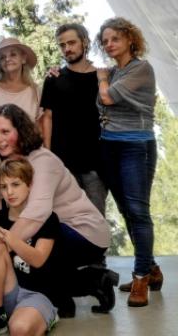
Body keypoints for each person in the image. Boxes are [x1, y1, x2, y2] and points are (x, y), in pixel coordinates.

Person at [0, 104, 116, 317]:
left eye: (5, 131)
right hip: (52, 229)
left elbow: (36, 215)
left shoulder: (43, 161)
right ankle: (63, 296)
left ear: (20, 131)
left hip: (85, 233)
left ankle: (90, 282)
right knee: (25, 255)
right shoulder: (1, 161)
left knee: (26, 256)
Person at [95, 17, 160, 307]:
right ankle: (153, 268)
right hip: (110, 145)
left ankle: (141, 277)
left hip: (136, 147)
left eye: (115, 39)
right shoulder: (113, 71)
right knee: (125, 210)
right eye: (105, 40)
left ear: (130, 39)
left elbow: (106, 99)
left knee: (138, 211)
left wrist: (101, 78)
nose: (109, 44)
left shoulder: (140, 68)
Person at [0, 157, 61, 336]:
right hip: (4, 292)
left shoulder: (47, 218)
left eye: (15, 184)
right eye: (4, 186)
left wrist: (8, 236)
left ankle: (49, 316)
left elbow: (38, 259)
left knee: (19, 329)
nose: (9, 192)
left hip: (37, 294)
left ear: (29, 185)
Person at [40, 24, 107, 215]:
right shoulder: (54, 78)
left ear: (84, 42)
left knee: (96, 221)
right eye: (62, 45)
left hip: (96, 165)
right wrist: (48, 156)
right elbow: (47, 117)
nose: (67, 49)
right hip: (63, 165)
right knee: (66, 222)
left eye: (71, 42)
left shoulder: (102, 78)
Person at [0, 38, 42, 127]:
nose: (7, 59)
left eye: (13, 54)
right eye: (2, 57)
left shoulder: (35, 91)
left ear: (23, 59)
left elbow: (40, 127)